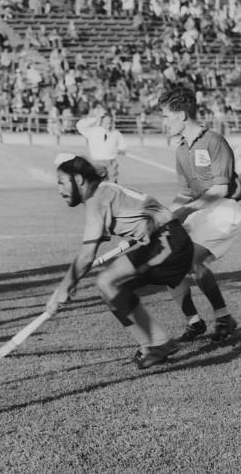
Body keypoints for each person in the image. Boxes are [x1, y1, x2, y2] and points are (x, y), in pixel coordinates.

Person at [45, 154, 194, 369]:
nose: (59, 190)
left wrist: (62, 289)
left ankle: (160, 343)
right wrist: (70, 284)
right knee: (108, 289)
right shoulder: (104, 191)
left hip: (169, 242)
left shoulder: (98, 199)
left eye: (62, 183)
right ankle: (149, 347)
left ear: (78, 179)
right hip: (164, 240)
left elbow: (87, 255)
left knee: (107, 281)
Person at [159, 85, 241, 342]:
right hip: (199, 210)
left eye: (166, 116)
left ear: (182, 115)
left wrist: (185, 211)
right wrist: (163, 215)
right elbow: (184, 193)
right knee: (165, 263)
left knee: (192, 261)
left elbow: (220, 188)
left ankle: (223, 317)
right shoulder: (181, 149)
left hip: (223, 210)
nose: (164, 123)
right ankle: (194, 322)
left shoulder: (214, 141)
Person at [75, 108, 127, 182]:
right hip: (96, 163)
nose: (109, 125)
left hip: (110, 164)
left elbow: (123, 149)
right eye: (106, 123)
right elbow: (79, 125)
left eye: (110, 122)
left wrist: (115, 151)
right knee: (97, 186)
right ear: (101, 122)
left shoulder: (116, 133)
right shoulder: (93, 131)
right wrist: (96, 118)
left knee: (112, 187)